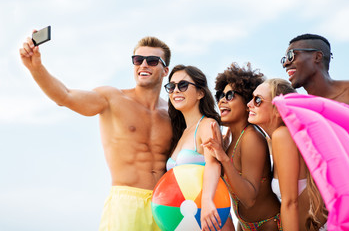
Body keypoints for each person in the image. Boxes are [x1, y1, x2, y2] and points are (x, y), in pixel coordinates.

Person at [19, 34, 173, 230]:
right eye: (137, 60)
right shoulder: (112, 98)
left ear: (165, 70)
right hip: (126, 204)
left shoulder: (172, 114)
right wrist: (36, 68)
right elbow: (65, 96)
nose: (143, 65)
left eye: (152, 61)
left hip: (165, 205)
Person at [202, 63, 282, 231]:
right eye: (220, 95)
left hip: (269, 223)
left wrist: (223, 158)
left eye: (230, 95)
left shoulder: (251, 137)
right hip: (244, 224)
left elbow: (249, 198)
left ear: (247, 101)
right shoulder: (229, 138)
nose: (222, 100)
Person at [247, 78, 328, 231]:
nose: (249, 104)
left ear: (278, 109)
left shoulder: (282, 136)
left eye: (258, 100)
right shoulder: (274, 140)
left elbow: (290, 203)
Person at [164, 64, 234, 231]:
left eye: (183, 85)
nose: (176, 90)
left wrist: (207, 201)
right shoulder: (181, 132)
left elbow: (213, 164)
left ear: (200, 93)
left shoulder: (207, 124)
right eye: (171, 86)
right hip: (187, 220)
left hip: (211, 216)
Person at [281, 33, 349, 117]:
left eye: (291, 55)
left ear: (317, 57)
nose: (285, 64)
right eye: (284, 59)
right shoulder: (304, 111)